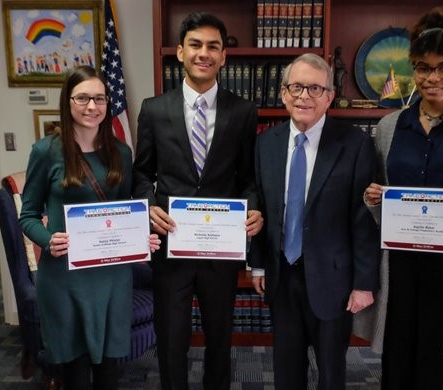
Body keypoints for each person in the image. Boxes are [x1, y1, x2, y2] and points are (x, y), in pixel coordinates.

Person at [353, 6, 443, 390]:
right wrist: (373, 200)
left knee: (437, 364)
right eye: (422, 67)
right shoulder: (388, 127)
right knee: (396, 357)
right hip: (398, 263)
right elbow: (381, 200)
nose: (432, 77)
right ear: (412, 70)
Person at [132, 12, 263, 390]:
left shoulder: (243, 111)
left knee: (220, 339)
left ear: (224, 57)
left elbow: (248, 178)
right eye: (195, 44)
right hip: (172, 246)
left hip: (221, 250)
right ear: (179, 51)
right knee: (171, 339)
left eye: (213, 46)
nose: (203, 53)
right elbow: (141, 173)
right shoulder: (154, 110)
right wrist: (148, 203)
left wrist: (253, 206)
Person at [19, 65, 161, 390]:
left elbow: (126, 212)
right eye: (82, 98)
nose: (92, 107)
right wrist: (47, 238)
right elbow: (27, 215)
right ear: (67, 102)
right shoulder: (46, 151)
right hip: (65, 277)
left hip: (111, 277)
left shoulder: (121, 153)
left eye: (99, 98)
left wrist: (142, 236)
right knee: (76, 373)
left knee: (110, 371)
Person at [249, 53, 380, 390]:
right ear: (283, 93)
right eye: (296, 87)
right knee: (286, 368)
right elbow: (262, 206)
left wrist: (364, 283)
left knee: (331, 371)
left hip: (333, 280)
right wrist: (259, 265)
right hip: (282, 275)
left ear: (329, 96)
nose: (304, 96)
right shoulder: (266, 143)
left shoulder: (356, 145)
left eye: (315, 88)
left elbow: (364, 219)